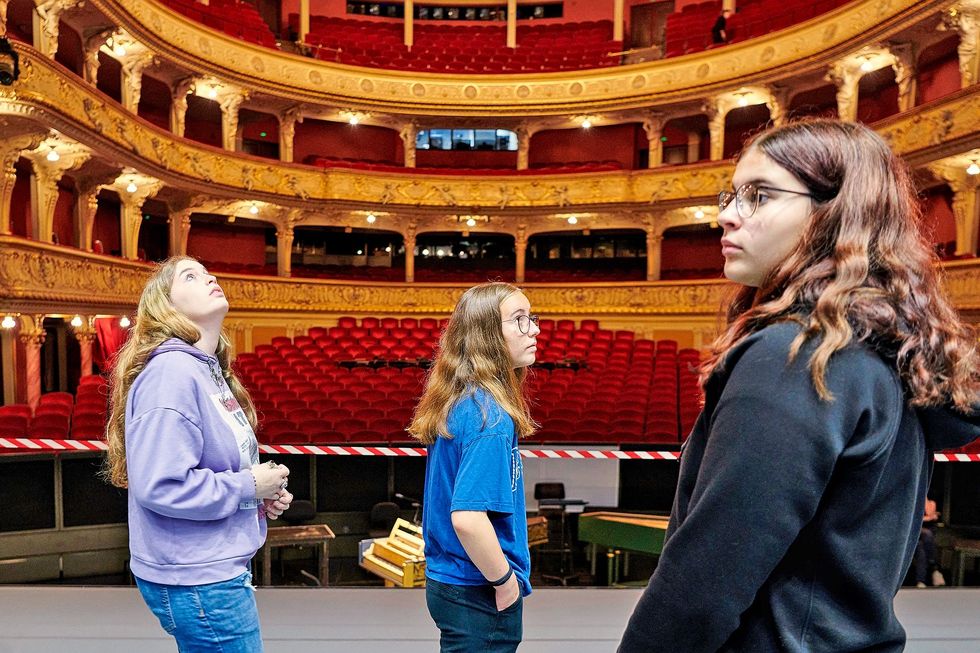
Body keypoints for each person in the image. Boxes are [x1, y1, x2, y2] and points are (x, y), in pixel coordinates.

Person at [618, 119, 980, 652]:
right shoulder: (873, 353)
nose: (726, 215)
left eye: (758, 196)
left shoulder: (798, 357)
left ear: (832, 212)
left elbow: (706, 578)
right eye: (732, 194)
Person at [104, 256, 293, 652]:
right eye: (190, 276)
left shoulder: (205, 370)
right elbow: (162, 486)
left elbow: (214, 467)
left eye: (208, 271)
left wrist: (259, 495)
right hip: (198, 580)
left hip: (210, 572)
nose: (210, 277)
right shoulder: (172, 374)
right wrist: (248, 484)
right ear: (166, 307)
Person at [408, 282, 540, 652]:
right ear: (487, 337)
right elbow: (467, 518)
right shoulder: (490, 418)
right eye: (519, 320)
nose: (535, 329)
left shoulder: (464, 401)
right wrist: (505, 582)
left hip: (450, 582)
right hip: (477, 587)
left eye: (532, 318)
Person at [913, 498, 945, 587]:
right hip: (914, 533)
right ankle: (934, 568)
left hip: (923, 540)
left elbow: (931, 513)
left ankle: (921, 581)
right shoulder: (913, 501)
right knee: (927, 534)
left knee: (921, 549)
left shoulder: (931, 503)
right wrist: (929, 517)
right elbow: (915, 519)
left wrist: (924, 500)